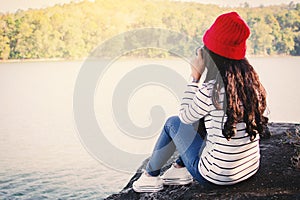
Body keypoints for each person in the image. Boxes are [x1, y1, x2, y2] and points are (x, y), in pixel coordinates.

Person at [133, 11, 268, 193]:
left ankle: (150, 177)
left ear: (211, 55)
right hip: (248, 170)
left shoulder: (211, 91)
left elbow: (184, 118)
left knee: (172, 123)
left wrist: (195, 77)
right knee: (204, 119)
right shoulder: (253, 86)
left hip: (214, 178)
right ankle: (179, 170)